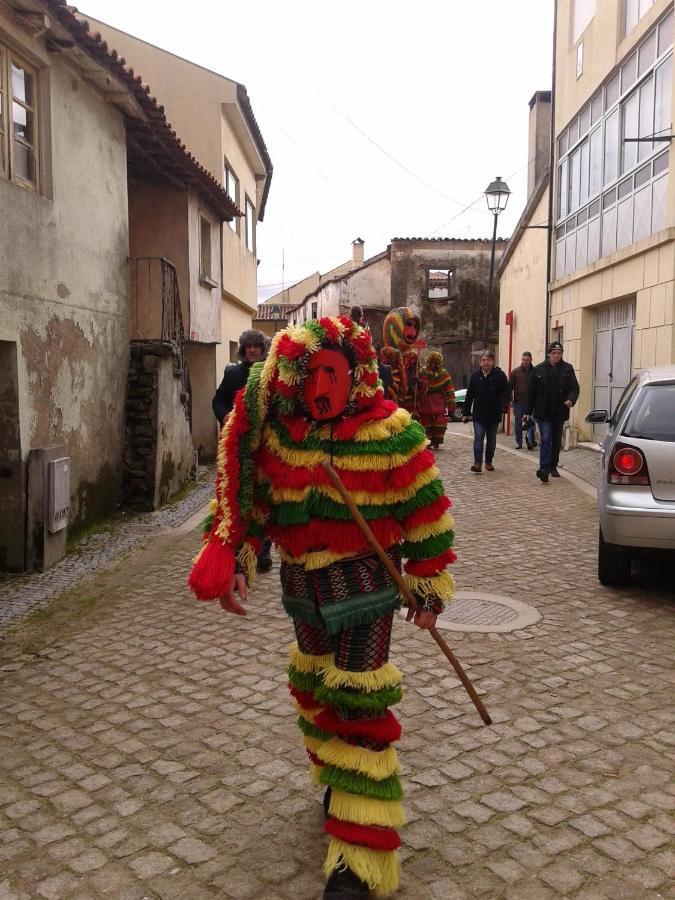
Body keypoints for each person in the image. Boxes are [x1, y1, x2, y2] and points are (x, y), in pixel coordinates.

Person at [189, 316, 457, 899]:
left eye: (333, 374)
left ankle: (358, 863)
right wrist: (238, 558)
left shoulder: (392, 434)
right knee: (313, 690)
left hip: (367, 594)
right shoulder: (284, 435)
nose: (322, 387)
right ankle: (337, 780)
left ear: (355, 375)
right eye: (314, 374)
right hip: (302, 595)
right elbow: (255, 505)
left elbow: (426, 512)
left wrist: (429, 585)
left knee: (359, 705)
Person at [212, 329, 272, 571]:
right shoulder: (233, 374)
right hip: (237, 446)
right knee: (239, 496)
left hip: (265, 447)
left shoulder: (270, 374)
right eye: (248, 347)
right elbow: (217, 401)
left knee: (264, 498)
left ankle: (263, 550)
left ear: (263, 348)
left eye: (257, 346)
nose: (252, 350)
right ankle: (238, 549)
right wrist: (224, 415)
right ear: (243, 350)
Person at [524, 340, 580, 484]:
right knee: (546, 439)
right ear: (549, 354)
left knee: (555, 442)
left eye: (559, 353)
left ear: (562, 354)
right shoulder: (539, 369)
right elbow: (531, 393)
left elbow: (574, 388)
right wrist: (527, 412)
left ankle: (553, 465)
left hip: (559, 411)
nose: (556, 355)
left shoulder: (568, 369)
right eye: (554, 353)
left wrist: (571, 400)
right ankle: (544, 469)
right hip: (543, 412)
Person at [462, 350, 510, 473]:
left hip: (494, 413)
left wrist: (504, 406)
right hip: (478, 414)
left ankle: (488, 461)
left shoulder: (500, 376)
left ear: (492, 362)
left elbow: (506, 393)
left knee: (491, 439)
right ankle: (477, 463)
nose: (486, 362)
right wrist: (466, 413)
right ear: (480, 362)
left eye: (488, 360)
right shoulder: (475, 376)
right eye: (483, 360)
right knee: (478, 437)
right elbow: (469, 395)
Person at [382, 307, 422, 416]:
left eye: (415, 327)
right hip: (389, 411)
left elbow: (419, 390)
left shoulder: (414, 358)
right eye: (408, 325)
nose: (413, 333)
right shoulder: (384, 356)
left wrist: (419, 384)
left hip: (409, 410)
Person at [418, 351, 456, 450]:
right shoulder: (422, 372)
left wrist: (451, 406)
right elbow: (417, 387)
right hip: (425, 401)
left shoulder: (444, 374)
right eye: (432, 363)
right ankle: (428, 441)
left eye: (436, 363)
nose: (433, 365)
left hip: (439, 402)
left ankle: (436, 440)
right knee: (426, 422)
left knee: (439, 422)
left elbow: (449, 390)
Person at [508, 351, 537, 450]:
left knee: (531, 422)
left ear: (531, 360)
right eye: (523, 360)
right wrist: (510, 399)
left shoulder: (535, 371)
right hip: (519, 402)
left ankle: (530, 441)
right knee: (518, 424)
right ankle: (518, 442)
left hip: (532, 402)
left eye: (527, 360)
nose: (525, 362)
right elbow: (509, 387)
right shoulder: (515, 372)